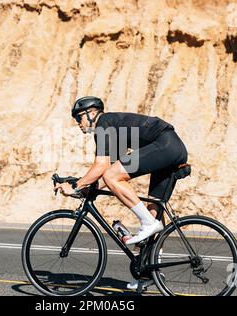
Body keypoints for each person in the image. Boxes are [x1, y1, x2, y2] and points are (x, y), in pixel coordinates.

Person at [54, 96, 188, 290]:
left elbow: (103, 167)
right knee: (153, 209)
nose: (78, 124)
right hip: (171, 147)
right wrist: (86, 188)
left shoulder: (104, 123)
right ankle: (152, 273)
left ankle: (149, 224)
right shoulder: (114, 129)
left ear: (92, 114)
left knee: (115, 180)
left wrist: (75, 187)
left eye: (79, 118)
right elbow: (110, 171)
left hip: (166, 145)